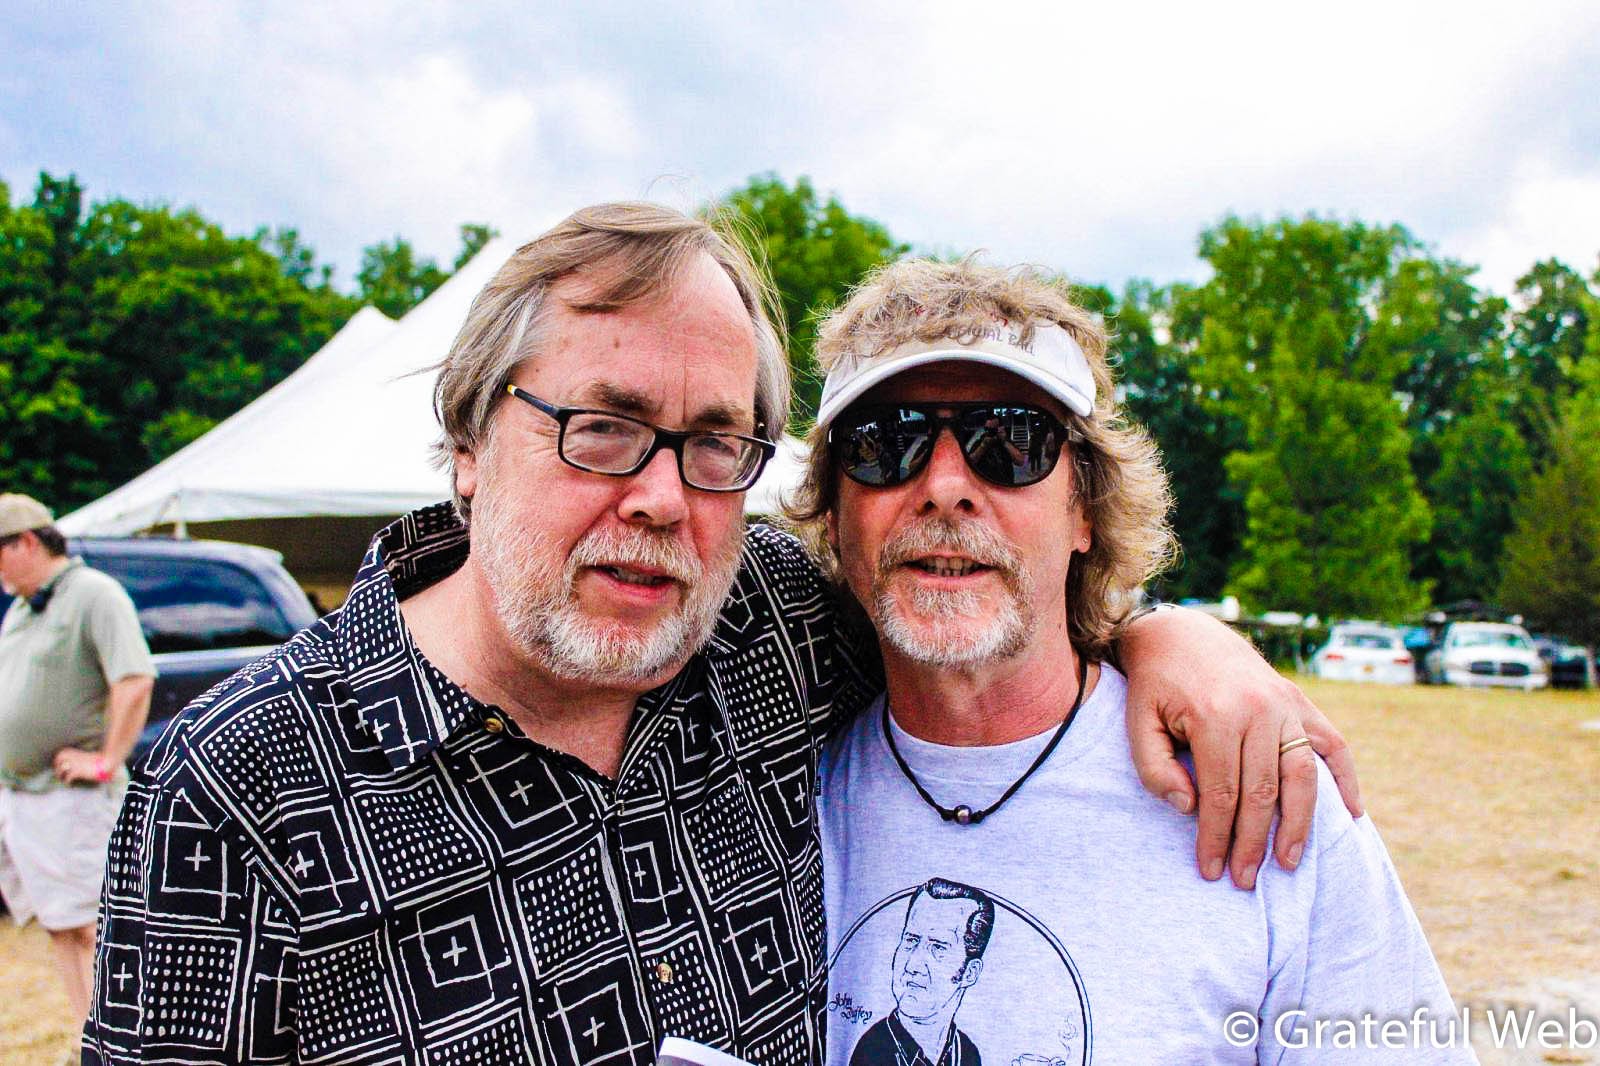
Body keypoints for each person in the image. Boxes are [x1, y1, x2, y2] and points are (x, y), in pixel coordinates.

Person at [87, 204, 1355, 1065]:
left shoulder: (768, 632)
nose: (656, 494)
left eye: (711, 444)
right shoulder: (236, 789)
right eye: (600, 423)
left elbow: (977, 597)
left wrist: (1169, 639)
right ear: (466, 446)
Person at [800, 259, 1468, 1063]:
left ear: (1085, 507)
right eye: (886, 444)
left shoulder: (1256, 787)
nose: (945, 486)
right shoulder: (771, 795)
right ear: (835, 513)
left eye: (1009, 442)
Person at [0, 493, 155, 1057]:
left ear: (26, 542)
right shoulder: (21, 607)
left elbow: (134, 679)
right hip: (27, 797)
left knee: (97, 926)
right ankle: (89, 1037)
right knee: (62, 927)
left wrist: (105, 760)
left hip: (77, 799)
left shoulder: (94, 594)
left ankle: (124, 1042)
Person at [850, 878, 993, 1066]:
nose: (913, 965)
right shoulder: (874, 1051)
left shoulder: (966, 1054)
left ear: (970, 972)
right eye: (911, 940)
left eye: (938, 948)